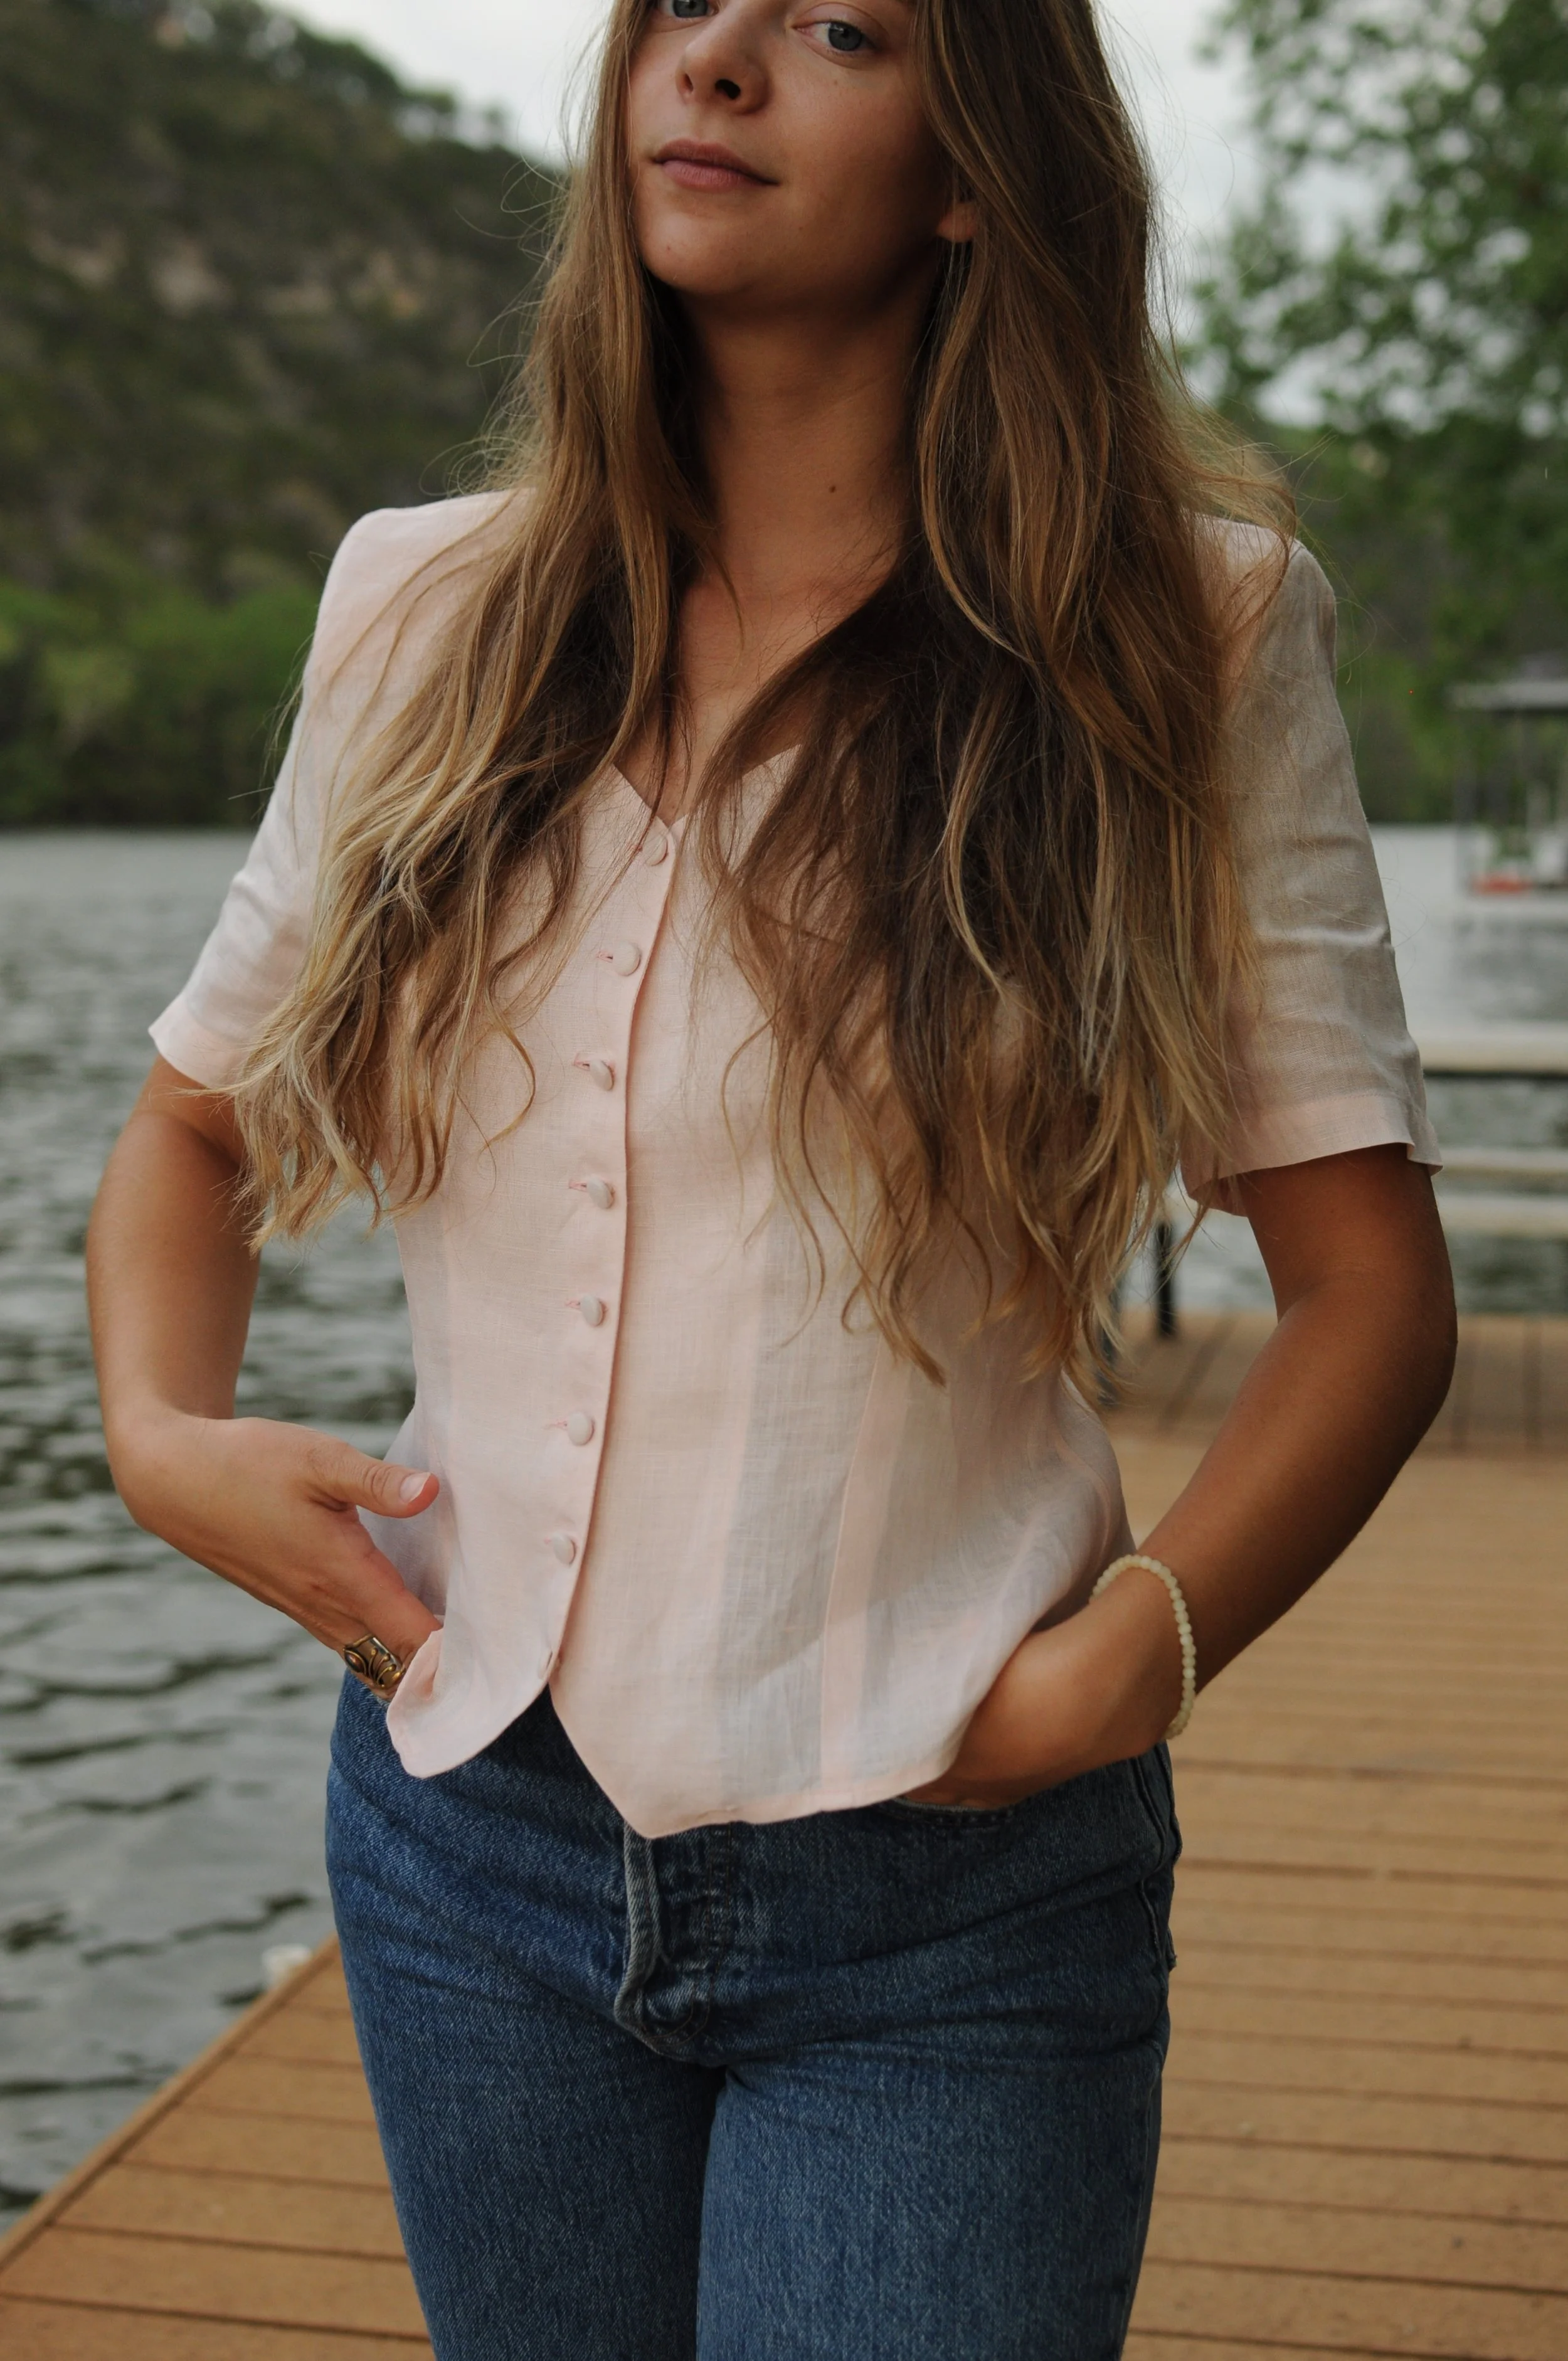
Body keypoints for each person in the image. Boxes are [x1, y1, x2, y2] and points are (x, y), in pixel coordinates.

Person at [87, 1, 1456, 2353]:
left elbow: (1368, 1291)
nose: (713, 63)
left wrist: (1131, 1657)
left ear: (975, 163)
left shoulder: (1183, 633)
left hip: (950, 1893)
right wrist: (157, 1438)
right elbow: (194, 1126)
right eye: (684, 7)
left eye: (834, 26)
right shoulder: (420, 605)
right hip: (466, 1842)